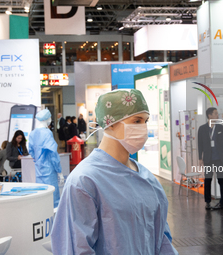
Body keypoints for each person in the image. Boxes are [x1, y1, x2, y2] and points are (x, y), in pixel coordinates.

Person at [51, 89, 178, 255]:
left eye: (145, 121)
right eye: (137, 121)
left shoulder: (147, 179)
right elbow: (75, 247)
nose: (144, 128)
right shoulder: (85, 181)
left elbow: (162, 240)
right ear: (110, 123)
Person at [198, 107, 223, 210]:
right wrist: (200, 158)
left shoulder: (221, 128)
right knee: (208, 180)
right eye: (216, 114)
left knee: (221, 180)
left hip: (219, 159)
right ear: (209, 115)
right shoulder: (202, 129)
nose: (217, 115)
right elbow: (200, 144)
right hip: (208, 159)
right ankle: (207, 202)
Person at [29, 109, 63, 208]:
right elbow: (53, 154)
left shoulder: (33, 133)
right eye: (50, 118)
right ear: (46, 119)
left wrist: (38, 161)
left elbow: (31, 151)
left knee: (41, 197)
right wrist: (59, 171)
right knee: (53, 199)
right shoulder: (47, 133)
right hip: (49, 171)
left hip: (39, 170)